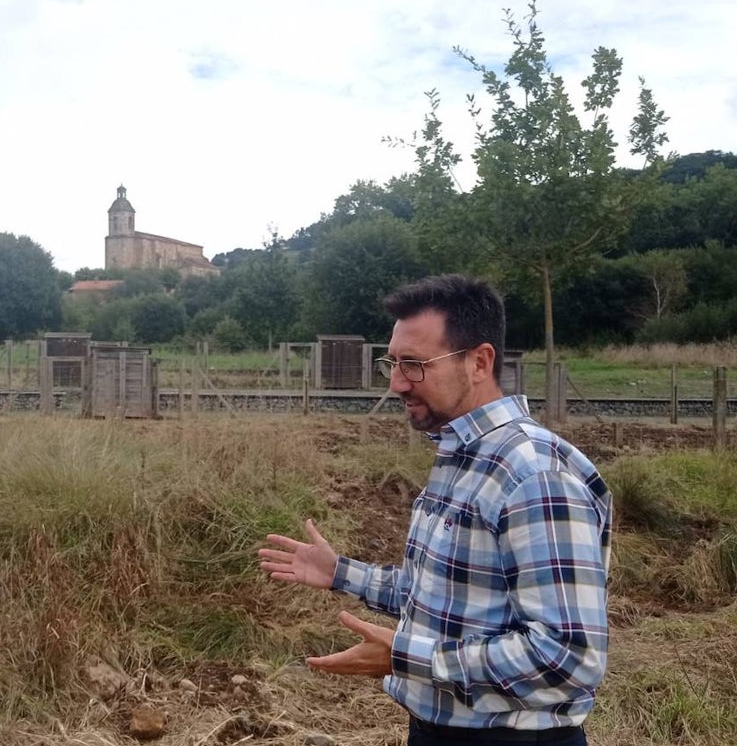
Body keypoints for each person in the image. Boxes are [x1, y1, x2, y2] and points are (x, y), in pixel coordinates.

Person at [259, 275, 611, 746]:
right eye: (393, 362)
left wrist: (407, 656)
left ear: (479, 362)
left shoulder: (533, 474)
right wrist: (341, 572)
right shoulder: (462, 455)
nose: (397, 383)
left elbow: (570, 656)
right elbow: (445, 595)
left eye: (415, 365)